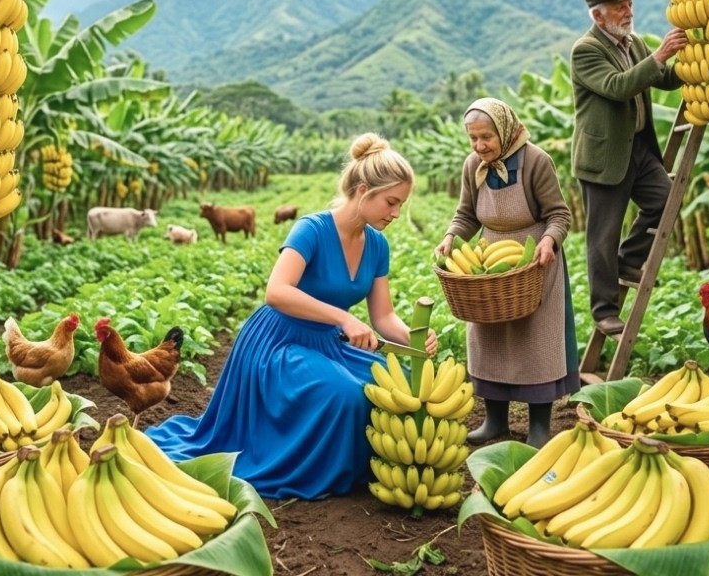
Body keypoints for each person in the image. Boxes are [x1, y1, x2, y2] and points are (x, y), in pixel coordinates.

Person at [147, 133, 438, 500]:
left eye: (400, 205)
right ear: (363, 190)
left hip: (327, 344)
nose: (395, 214)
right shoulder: (313, 229)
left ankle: (367, 468)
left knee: (396, 386)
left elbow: (384, 317)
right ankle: (324, 473)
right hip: (278, 341)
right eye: (391, 202)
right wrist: (344, 319)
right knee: (347, 395)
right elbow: (277, 291)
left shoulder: (377, 245)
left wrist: (412, 337)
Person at [435, 98, 576, 447]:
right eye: (473, 139)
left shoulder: (536, 161)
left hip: (533, 260)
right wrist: (452, 237)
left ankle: (539, 427)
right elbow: (466, 215)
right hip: (489, 258)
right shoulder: (473, 166)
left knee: (536, 343)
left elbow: (560, 214)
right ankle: (495, 420)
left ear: (505, 129)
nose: (480, 146)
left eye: (487, 137)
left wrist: (548, 242)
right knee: (488, 340)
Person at [571, 0, 687, 336]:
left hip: (638, 147)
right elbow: (618, 86)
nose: (628, 12)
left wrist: (697, 58)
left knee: (665, 202)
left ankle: (630, 260)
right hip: (605, 156)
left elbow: (663, 79)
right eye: (621, 7)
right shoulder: (585, 50)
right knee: (602, 236)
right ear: (598, 14)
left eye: (629, 5)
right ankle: (604, 311)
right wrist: (661, 54)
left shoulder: (632, 42)